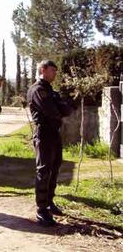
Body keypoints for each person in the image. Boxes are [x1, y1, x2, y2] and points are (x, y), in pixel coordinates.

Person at [27, 60, 72, 226]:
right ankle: (41, 209)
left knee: (55, 168)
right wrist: (60, 107)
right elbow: (52, 111)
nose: (55, 74)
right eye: (53, 70)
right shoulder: (38, 89)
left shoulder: (50, 90)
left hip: (54, 133)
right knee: (44, 170)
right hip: (43, 133)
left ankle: (49, 202)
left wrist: (60, 107)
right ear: (43, 70)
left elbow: (66, 110)